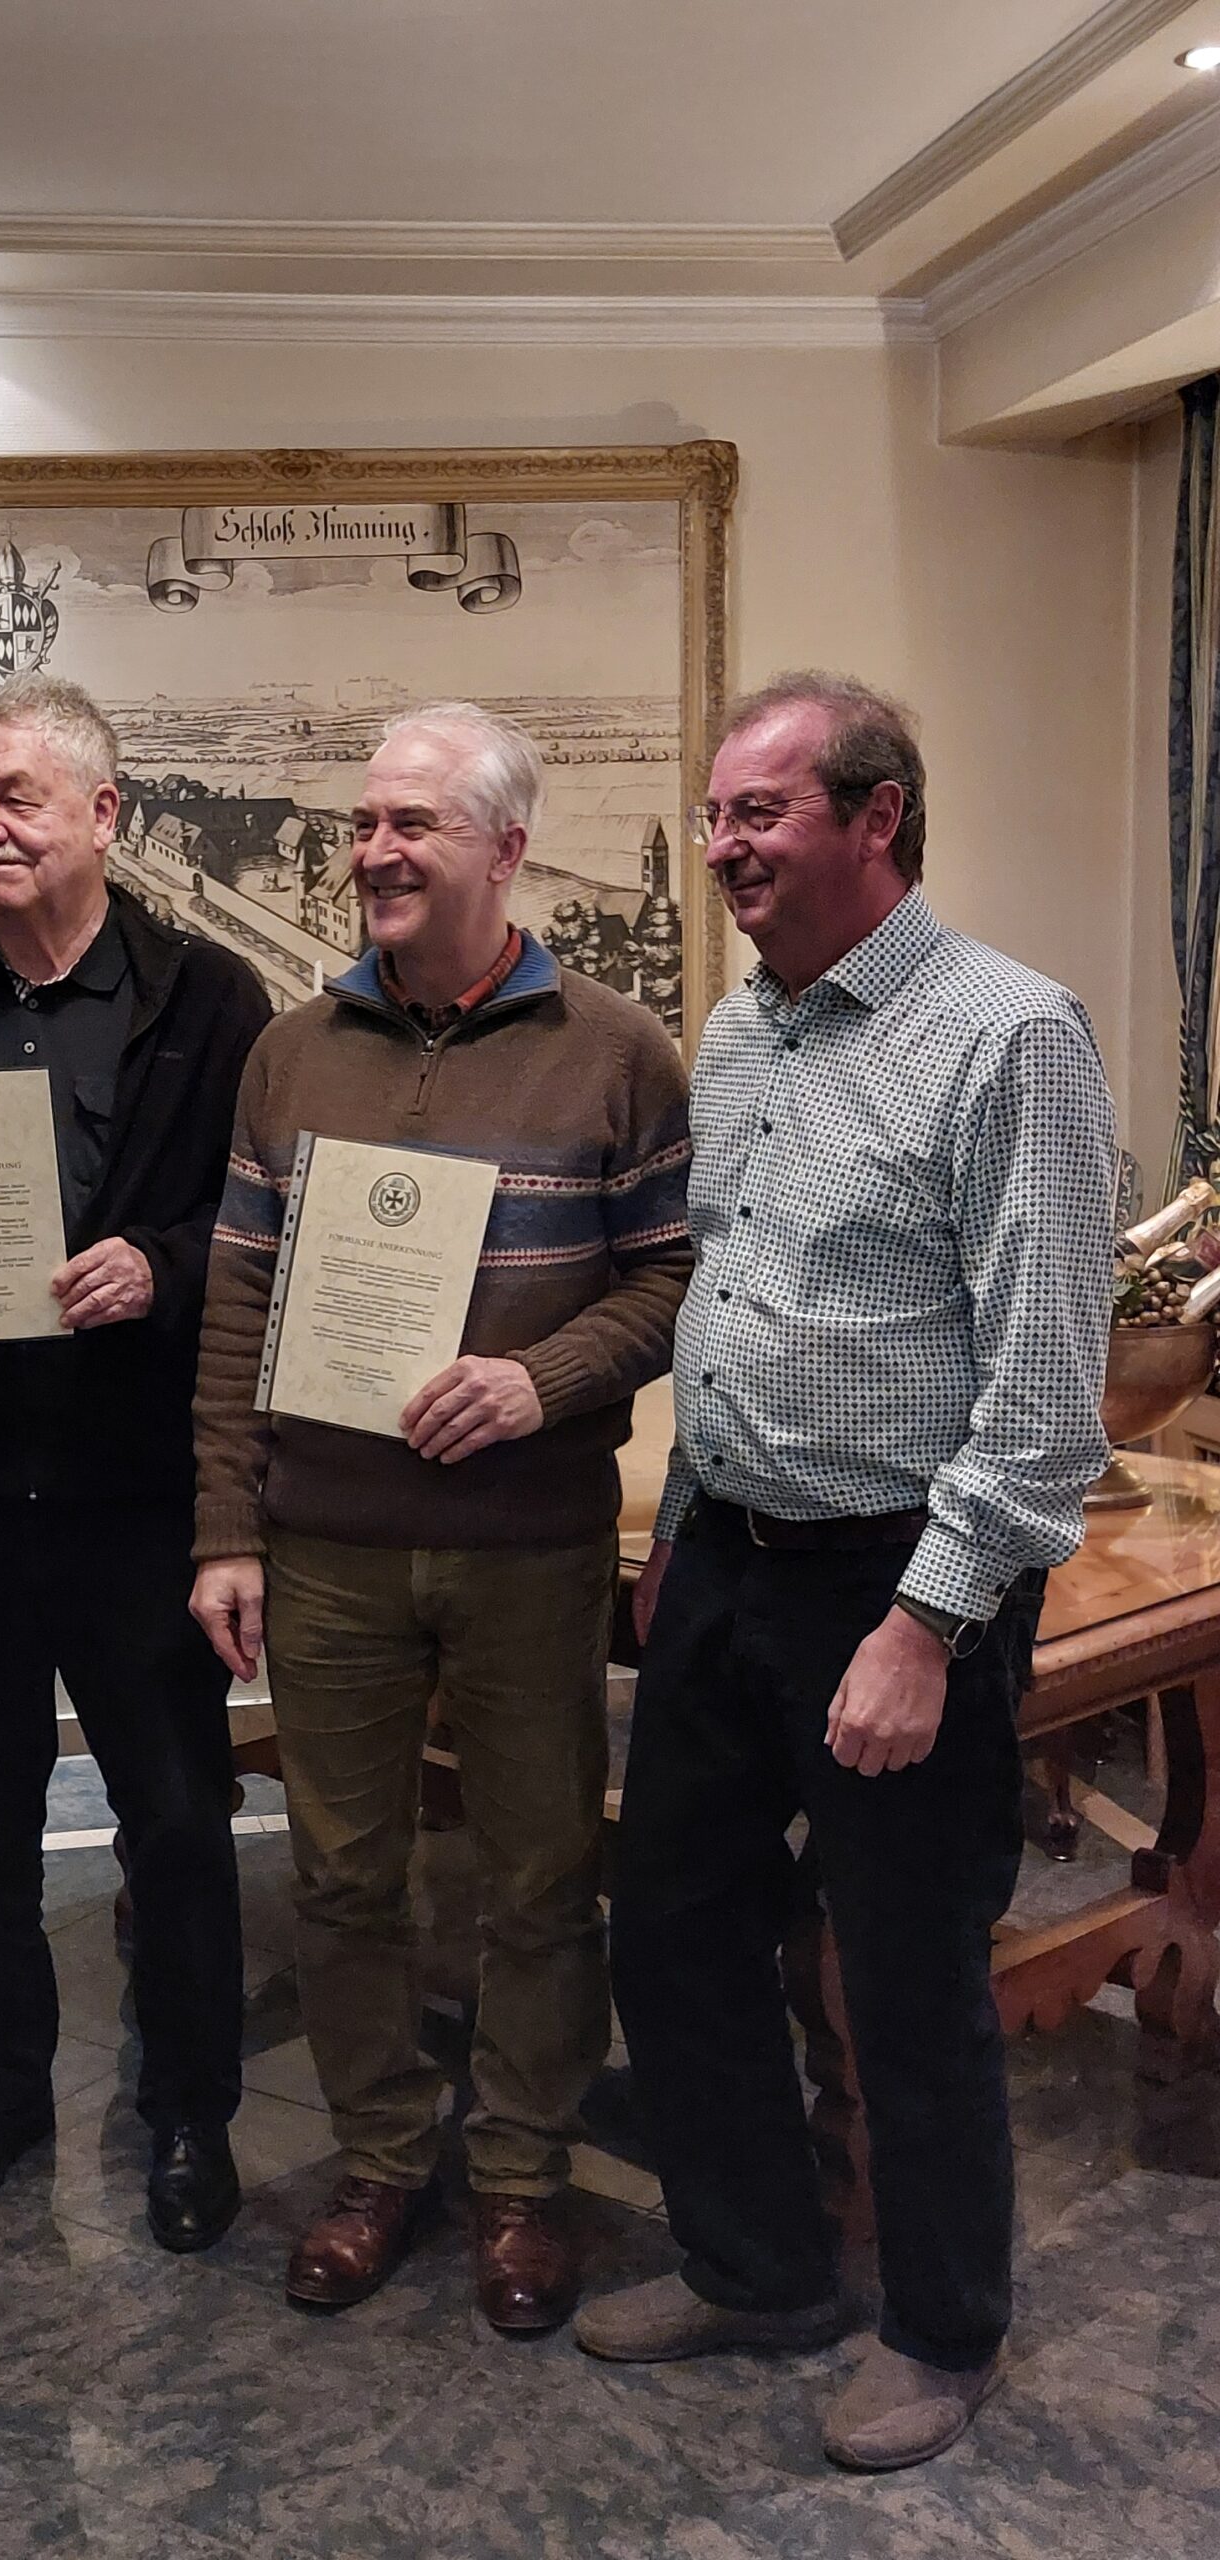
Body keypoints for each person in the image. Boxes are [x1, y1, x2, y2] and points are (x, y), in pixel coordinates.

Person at [576, 674, 1116, 2470]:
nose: (725, 846)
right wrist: (682, 1528)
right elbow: (735, 1298)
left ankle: (947, 2331)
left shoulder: (1010, 1037)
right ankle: (759, 2270)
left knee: (904, 1976)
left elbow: (1043, 1392)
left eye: (763, 812)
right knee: (671, 1925)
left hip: (901, 1576)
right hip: (730, 1555)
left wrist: (926, 1625)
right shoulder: (745, 1032)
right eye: (717, 814)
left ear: (878, 817)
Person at [190, 702, 691, 2331]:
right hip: (327, 1546)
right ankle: (382, 2160)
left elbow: (672, 1280)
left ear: (506, 848)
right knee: (344, 1879)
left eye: (414, 824)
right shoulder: (290, 1052)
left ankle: (524, 2179)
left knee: (540, 1881)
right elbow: (236, 1305)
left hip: (531, 1546)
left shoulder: (619, 1051)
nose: (375, 852)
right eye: (364, 823)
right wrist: (225, 1530)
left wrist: (541, 1383)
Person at [0, 673, 271, 2253]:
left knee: (177, 1821)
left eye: (16, 795)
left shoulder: (208, 998)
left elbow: (262, 1219)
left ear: (105, 812)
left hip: (138, 1497)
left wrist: (161, 1262)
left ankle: (191, 2116)